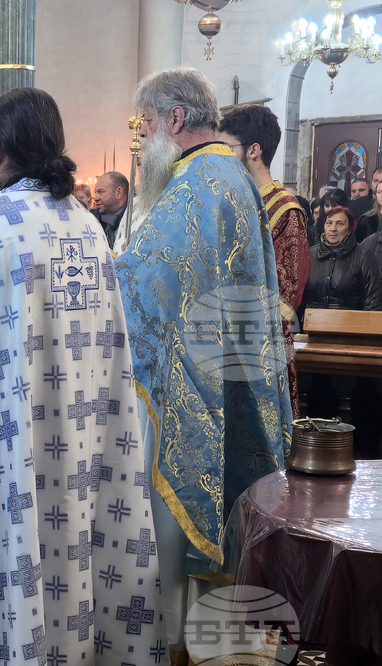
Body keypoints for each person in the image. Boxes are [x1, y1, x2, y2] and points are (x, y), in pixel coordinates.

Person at [0, 86, 164, 666]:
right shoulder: (87, 228)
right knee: (71, 549)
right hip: (80, 446)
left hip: (8, 447)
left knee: (3, 559)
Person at [115, 68, 291, 665]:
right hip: (221, 369)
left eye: (144, 125)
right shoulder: (232, 175)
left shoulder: (194, 185)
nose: (142, 142)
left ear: (174, 120)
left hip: (189, 387)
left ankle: (161, 643)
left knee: (164, 525)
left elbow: (140, 282)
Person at [220, 104, 310, 418]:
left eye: (227, 148)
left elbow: (286, 297)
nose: (222, 159)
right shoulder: (234, 202)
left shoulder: (285, 210)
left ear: (254, 150)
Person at [305, 206, 382, 313]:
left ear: (350, 229)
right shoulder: (310, 254)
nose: (333, 228)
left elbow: (373, 300)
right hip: (311, 325)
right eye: (329, 223)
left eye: (340, 224)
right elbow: (300, 296)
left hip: (350, 326)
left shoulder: (363, 256)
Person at [92, 171, 129, 248]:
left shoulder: (135, 218)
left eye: (101, 192)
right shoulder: (94, 219)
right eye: (96, 192)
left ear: (118, 193)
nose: (95, 198)